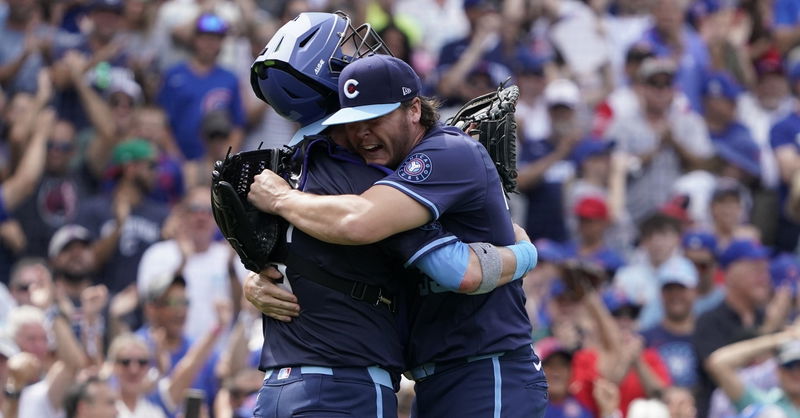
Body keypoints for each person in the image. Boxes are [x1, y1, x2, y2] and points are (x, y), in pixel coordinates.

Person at [248, 53, 547, 417]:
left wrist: (528, 253)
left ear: (414, 110)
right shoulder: (383, 179)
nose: (363, 133)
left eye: (376, 118)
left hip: (487, 369)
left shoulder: (444, 151)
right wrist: (263, 278)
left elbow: (460, 271)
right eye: (354, 122)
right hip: (439, 375)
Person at [707, 324, 800, 416]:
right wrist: (783, 338)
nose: (796, 372)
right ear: (778, 370)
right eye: (789, 365)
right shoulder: (767, 405)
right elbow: (718, 363)